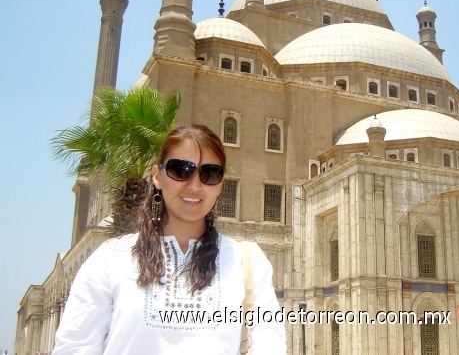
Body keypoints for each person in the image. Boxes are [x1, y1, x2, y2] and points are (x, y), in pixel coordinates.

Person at [53, 124, 287, 354]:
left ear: (220, 185)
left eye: (209, 174)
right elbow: (75, 347)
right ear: (157, 176)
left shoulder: (247, 264)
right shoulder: (111, 259)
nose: (194, 186)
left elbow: (269, 345)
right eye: (180, 170)